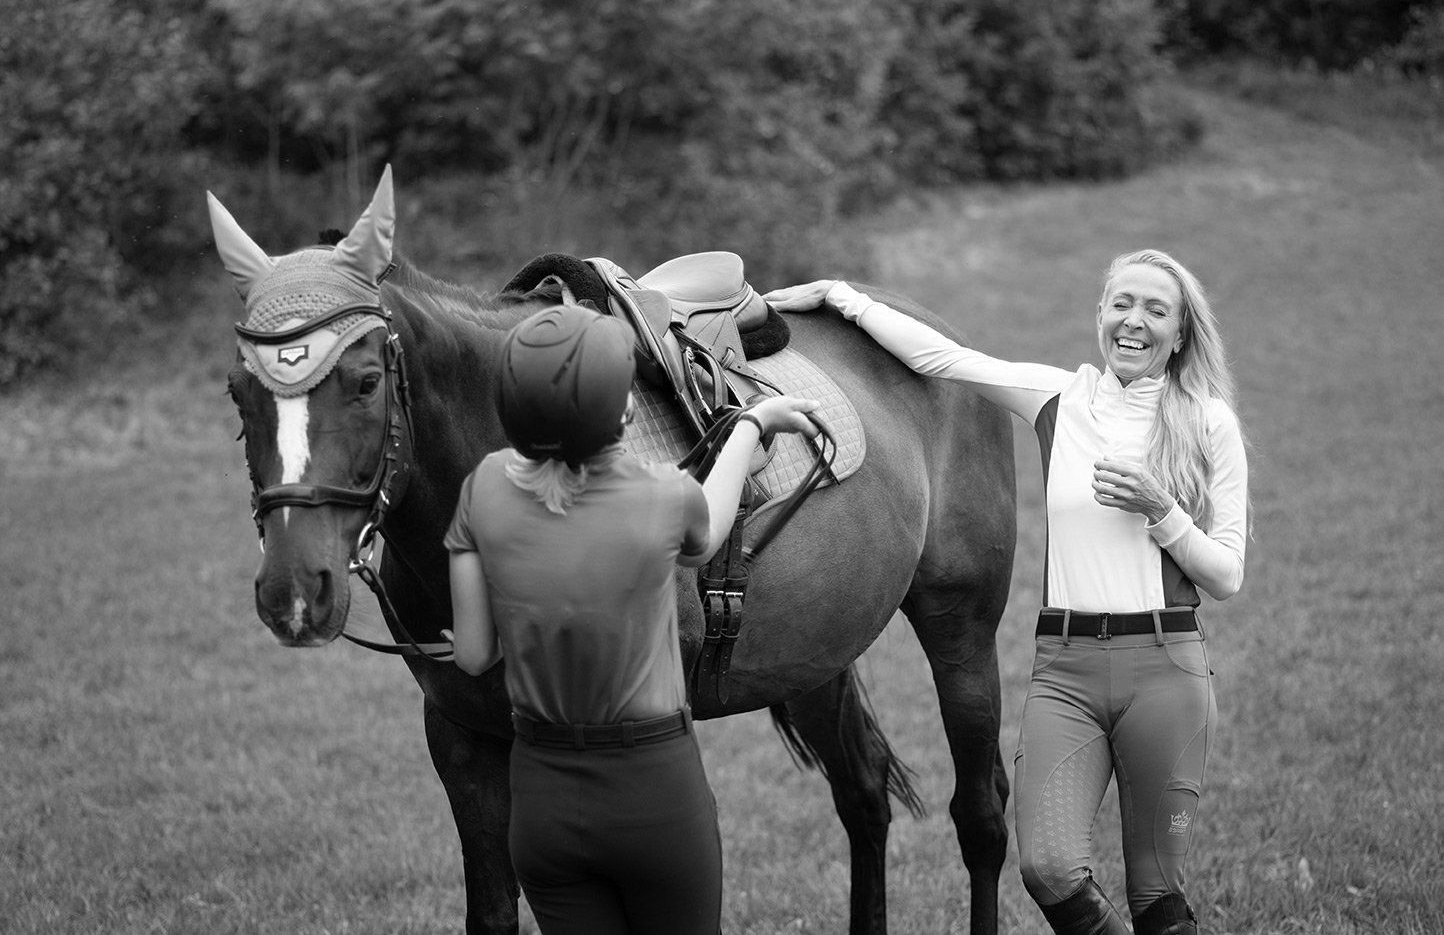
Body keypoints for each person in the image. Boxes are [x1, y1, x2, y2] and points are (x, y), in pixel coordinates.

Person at [765, 250, 1247, 935]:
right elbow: (941, 360)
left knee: (1156, 895)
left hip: (1165, 671)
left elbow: (1226, 575)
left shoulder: (1208, 425)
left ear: (1181, 331)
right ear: (1101, 315)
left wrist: (1160, 509)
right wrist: (844, 299)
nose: (1133, 322)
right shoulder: (1059, 397)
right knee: (1047, 869)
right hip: (1067, 673)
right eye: (1121, 304)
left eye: (1155, 310)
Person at [443, 304, 819, 935]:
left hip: (543, 802)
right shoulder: (661, 495)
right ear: (620, 414)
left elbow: (475, 655)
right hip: (653, 795)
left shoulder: (482, 489)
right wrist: (753, 422)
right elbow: (710, 526)